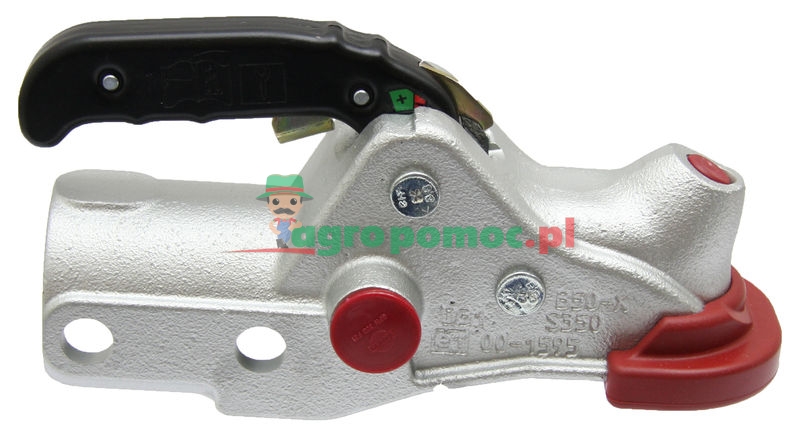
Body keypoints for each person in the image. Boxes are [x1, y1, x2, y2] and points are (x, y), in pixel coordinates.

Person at [257, 174, 312, 248]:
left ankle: (283, 244)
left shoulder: (291, 219)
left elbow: (298, 224)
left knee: (286, 237)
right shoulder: (278, 219)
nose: (284, 206)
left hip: (288, 231)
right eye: (276, 201)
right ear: (268, 204)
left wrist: (294, 226)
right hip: (280, 230)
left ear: (300, 204)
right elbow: (271, 224)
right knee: (281, 237)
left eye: (293, 201)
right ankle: (281, 244)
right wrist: (274, 229)